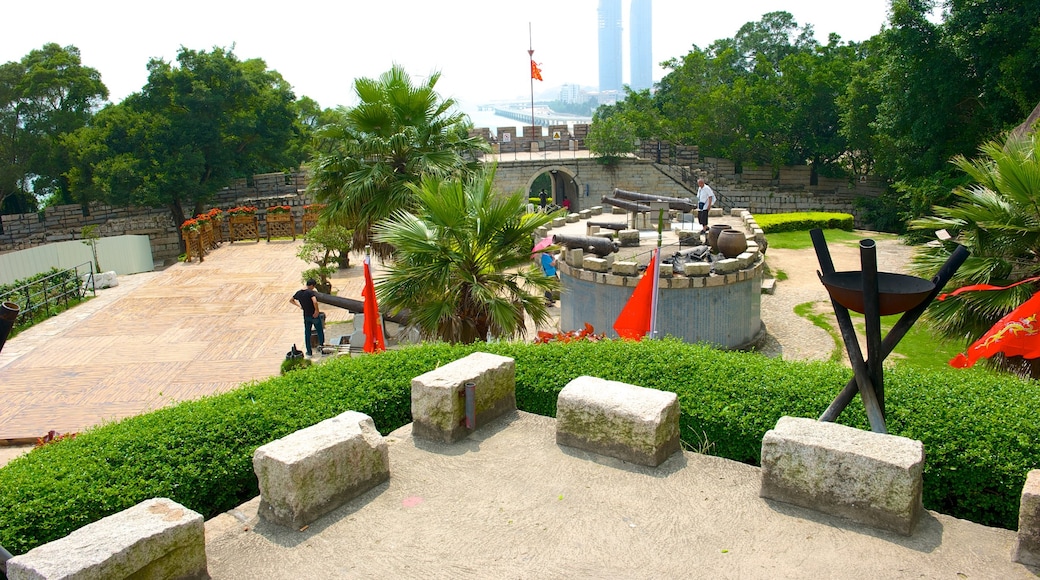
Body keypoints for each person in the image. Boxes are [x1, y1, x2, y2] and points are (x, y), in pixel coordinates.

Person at [290, 278, 325, 357]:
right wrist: (316, 311)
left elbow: (291, 300)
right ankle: (322, 348)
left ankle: (309, 351)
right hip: (314, 315)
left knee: (307, 333)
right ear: (312, 285)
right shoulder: (310, 292)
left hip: (306, 315)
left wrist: (299, 306)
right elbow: (315, 301)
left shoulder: (299, 293)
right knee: (319, 331)